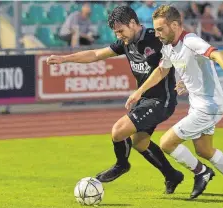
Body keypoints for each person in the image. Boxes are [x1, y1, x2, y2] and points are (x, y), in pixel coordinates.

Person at [47, 6, 184, 194]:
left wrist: (185, 78)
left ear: (133, 23)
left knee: (119, 131)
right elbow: (96, 54)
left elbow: (180, 53)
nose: (119, 35)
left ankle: (121, 164)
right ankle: (172, 175)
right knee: (140, 143)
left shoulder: (155, 37)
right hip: (145, 99)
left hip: (163, 100)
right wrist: (64, 59)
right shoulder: (125, 42)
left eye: (121, 31)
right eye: (116, 32)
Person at [125, 5, 223, 199]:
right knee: (204, 150)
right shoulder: (168, 46)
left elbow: (215, 53)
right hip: (198, 105)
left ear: (174, 25)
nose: (157, 34)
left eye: (160, 29)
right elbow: (162, 70)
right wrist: (139, 92)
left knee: (167, 142)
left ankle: (202, 173)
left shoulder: (191, 40)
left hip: (209, 106)